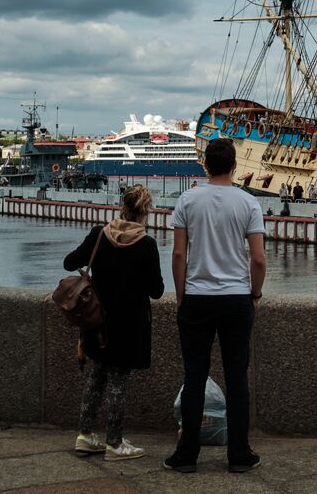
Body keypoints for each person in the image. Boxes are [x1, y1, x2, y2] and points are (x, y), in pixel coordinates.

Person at [165, 137, 267, 474]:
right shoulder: (248, 203)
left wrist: (182, 295)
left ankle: (186, 455)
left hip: (196, 297)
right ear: (235, 165)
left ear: (205, 165)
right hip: (237, 298)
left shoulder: (188, 200)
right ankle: (239, 454)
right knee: (237, 378)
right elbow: (259, 259)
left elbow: (179, 254)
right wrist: (254, 294)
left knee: (195, 376)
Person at [65, 184, 164, 460]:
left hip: (97, 321)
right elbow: (156, 290)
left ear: (122, 206)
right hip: (129, 324)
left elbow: (69, 262)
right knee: (118, 383)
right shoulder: (146, 245)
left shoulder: (100, 234)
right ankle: (115, 443)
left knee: (96, 377)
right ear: (144, 212)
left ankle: (85, 436)